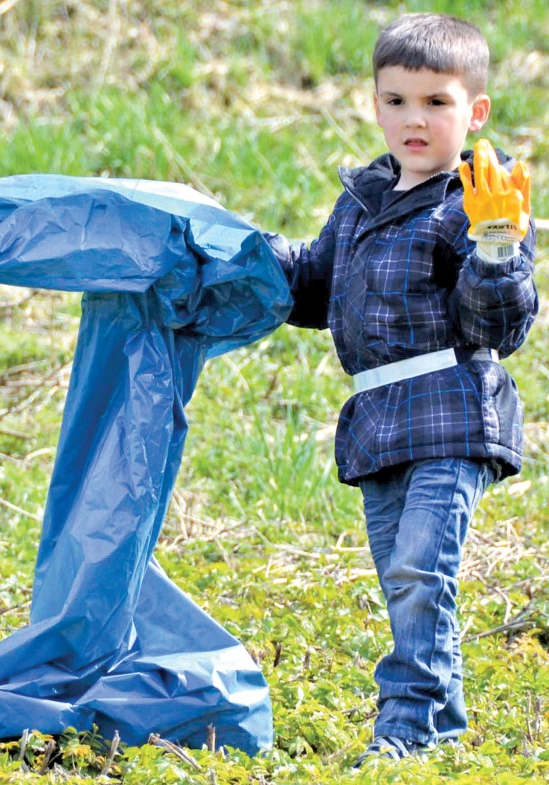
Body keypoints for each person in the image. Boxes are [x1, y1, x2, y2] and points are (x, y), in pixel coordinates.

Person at [265, 12, 538, 767]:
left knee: (424, 566)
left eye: (436, 103)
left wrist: (496, 248)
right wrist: (248, 260)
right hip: (379, 421)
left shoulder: (482, 200)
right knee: (405, 582)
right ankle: (441, 724)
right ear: (375, 101)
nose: (414, 119)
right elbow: (314, 289)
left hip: (451, 410)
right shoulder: (360, 199)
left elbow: (500, 327)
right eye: (396, 101)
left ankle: (407, 727)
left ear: (474, 111)